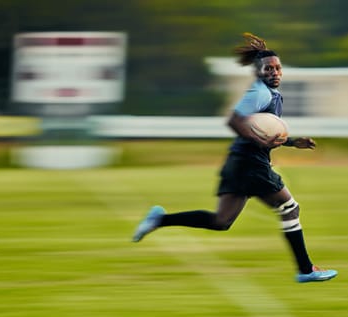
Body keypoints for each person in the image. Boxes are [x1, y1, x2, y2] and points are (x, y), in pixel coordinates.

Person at [133, 33, 337, 283]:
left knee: (221, 221)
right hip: (251, 164)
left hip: (238, 162)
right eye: (268, 68)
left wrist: (294, 142)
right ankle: (305, 270)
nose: (275, 72)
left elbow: (264, 132)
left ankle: (159, 219)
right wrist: (261, 142)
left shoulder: (270, 95)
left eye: (278, 68)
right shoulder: (259, 93)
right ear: (258, 72)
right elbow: (234, 120)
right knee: (290, 208)